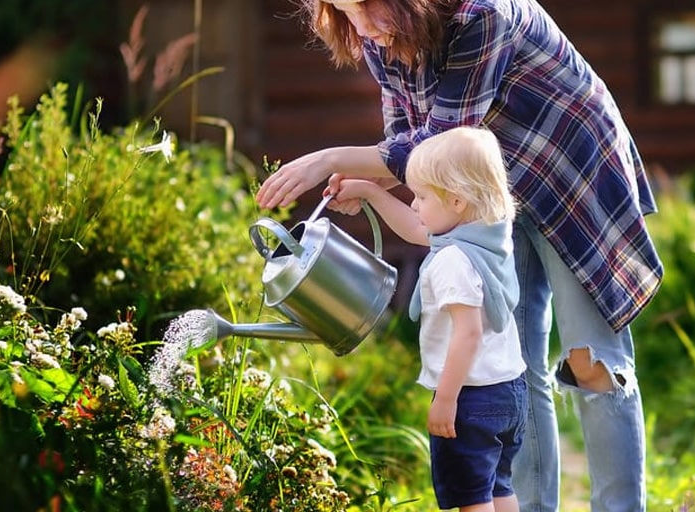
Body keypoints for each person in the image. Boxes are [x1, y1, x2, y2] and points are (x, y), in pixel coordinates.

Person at [254, 0, 664, 510]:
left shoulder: (481, 14)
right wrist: (370, 187)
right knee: (510, 361)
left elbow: (444, 136)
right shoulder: (383, 36)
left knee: (592, 362)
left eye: (362, 6)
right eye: (343, 12)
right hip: (488, 195)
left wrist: (329, 159)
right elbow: (414, 151)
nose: (359, 29)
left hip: (568, 171)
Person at [327, 126, 528, 512]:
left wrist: (446, 399)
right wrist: (371, 191)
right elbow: (421, 228)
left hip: (469, 394)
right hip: (507, 388)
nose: (415, 205)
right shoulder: (488, 234)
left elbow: (467, 334)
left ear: (455, 201)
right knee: (498, 487)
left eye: (420, 196)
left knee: (472, 498)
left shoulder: (453, 260)